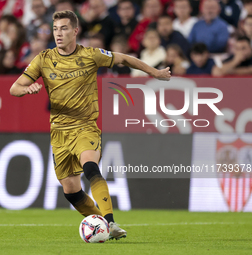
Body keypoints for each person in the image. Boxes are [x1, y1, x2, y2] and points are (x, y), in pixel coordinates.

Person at [10, 10, 170, 240]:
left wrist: (154, 72)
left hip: (85, 126)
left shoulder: (91, 55)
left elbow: (124, 58)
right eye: (55, 29)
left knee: (90, 167)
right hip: (59, 133)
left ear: (75, 31)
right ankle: (105, 226)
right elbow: (14, 88)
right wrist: (27, 89)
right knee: (71, 191)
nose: (59, 33)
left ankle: (111, 223)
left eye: (64, 28)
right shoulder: (43, 59)